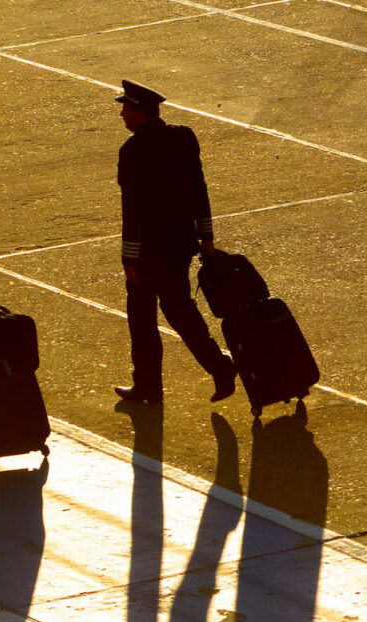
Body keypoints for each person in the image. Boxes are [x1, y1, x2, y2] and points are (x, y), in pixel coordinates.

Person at [114, 79, 237, 404]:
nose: (122, 115)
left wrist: (129, 259)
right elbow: (199, 189)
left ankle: (148, 387)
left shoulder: (132, 152)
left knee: (142, 320)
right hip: (181, 245)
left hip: (148, 252)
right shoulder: (183, 137)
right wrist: (206, 236)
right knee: (180, 310)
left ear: (140, 112)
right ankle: (219, 367)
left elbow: (132, 211)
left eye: (126, 109)